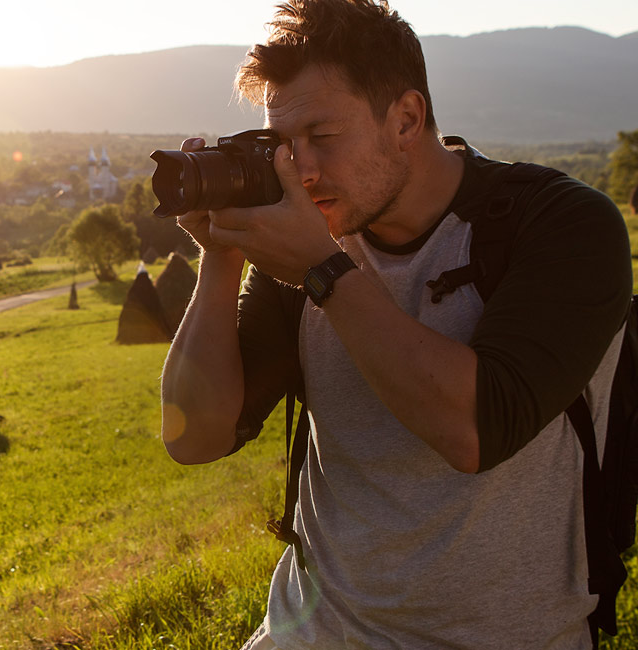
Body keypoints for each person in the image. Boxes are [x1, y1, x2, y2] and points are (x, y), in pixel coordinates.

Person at [159, 1, 633, 648]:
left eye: (323, 138)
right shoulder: (313, 241)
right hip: (312, 629)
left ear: (407, 119)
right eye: (284, 145)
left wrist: (323, 271)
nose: (302, 170)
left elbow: (475, 430)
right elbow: (197, 436)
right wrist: (220, 254)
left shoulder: (557, 225)